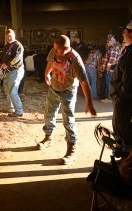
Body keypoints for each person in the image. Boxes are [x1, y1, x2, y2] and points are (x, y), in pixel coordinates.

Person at [38, 35, 97, 165]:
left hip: (68, 92)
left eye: (58, 50)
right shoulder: (55, 49)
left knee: (68, 121)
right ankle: (48, 138)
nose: (55, 51)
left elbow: (84, 82)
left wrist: (89, 103)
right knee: (48, 114)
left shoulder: (75, 60)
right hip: (53, 88)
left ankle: (71, 151)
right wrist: (46, 73)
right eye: (55, 49)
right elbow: (50, 61)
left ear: (66, 49)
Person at [0, 28, 25, 118]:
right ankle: (11, 108)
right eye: (7, 37)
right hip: (7, 71)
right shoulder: (7, 45)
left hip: (16, 70)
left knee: (13, 91)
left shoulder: (18, 46)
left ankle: (19, 111)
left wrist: (7, 64)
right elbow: (3, 56)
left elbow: (16, 59)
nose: (9, 38)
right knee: (7, 90)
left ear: (14, 36)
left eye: (10, 36)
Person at [100, 34, 120, 103]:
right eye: (107, 42)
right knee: (107, 83)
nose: (107, 43)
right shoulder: (111, 48)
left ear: (112, 42)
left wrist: (106, 69)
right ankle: (107, 96)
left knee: (108, 83)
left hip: (110, 70)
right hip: (109, 69)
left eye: (108, 42)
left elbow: (111, 62)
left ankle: (108, 98)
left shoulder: (113, 49)